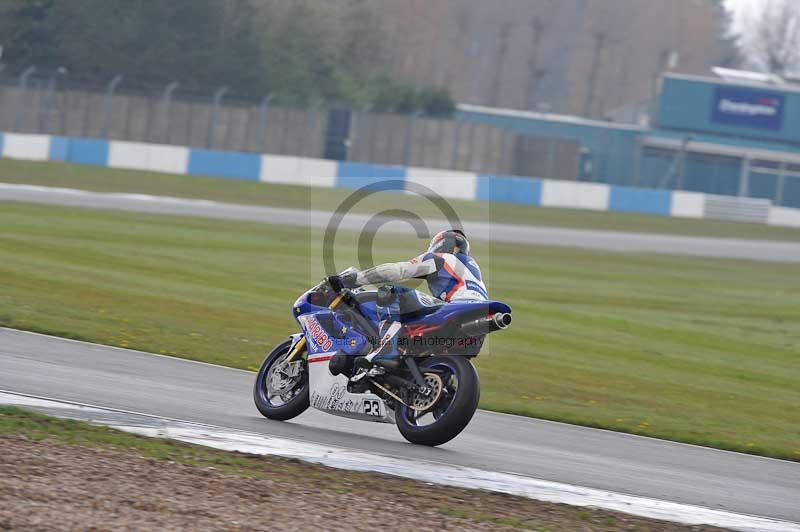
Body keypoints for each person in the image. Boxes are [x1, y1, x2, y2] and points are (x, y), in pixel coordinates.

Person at [327, 229, 487, 371]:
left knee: (390, 291)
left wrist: (358, 278)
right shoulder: (473, 267)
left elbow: (397, 271)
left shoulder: (440, 258)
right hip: (479, 323)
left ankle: (387, 348)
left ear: (439, 245)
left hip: (456, 308)